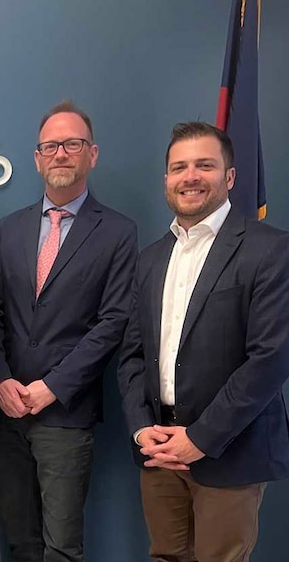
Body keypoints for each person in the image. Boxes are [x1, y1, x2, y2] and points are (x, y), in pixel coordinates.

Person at [117, 121, 289, 561]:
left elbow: (269, 358)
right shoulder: (150, 258)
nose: (190, 176)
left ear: (229, 177)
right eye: (179, 168)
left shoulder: (270, 250)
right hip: (157, 448)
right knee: (167, 556)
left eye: (204, 165)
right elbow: (134, 354)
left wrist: (201, 437)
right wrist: (142, 430)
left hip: (229, 449)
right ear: (167, 181)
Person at [0, 100, 137, 562]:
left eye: (72, 144)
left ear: (92, 153)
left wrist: (53, 387)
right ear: (37, 158)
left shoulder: (117, 231)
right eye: (50, 146)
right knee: (20, 542)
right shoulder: (9, 229)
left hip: (65, 415)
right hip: (8, 411)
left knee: (62, 548)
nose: (61, 154)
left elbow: (112, 322)